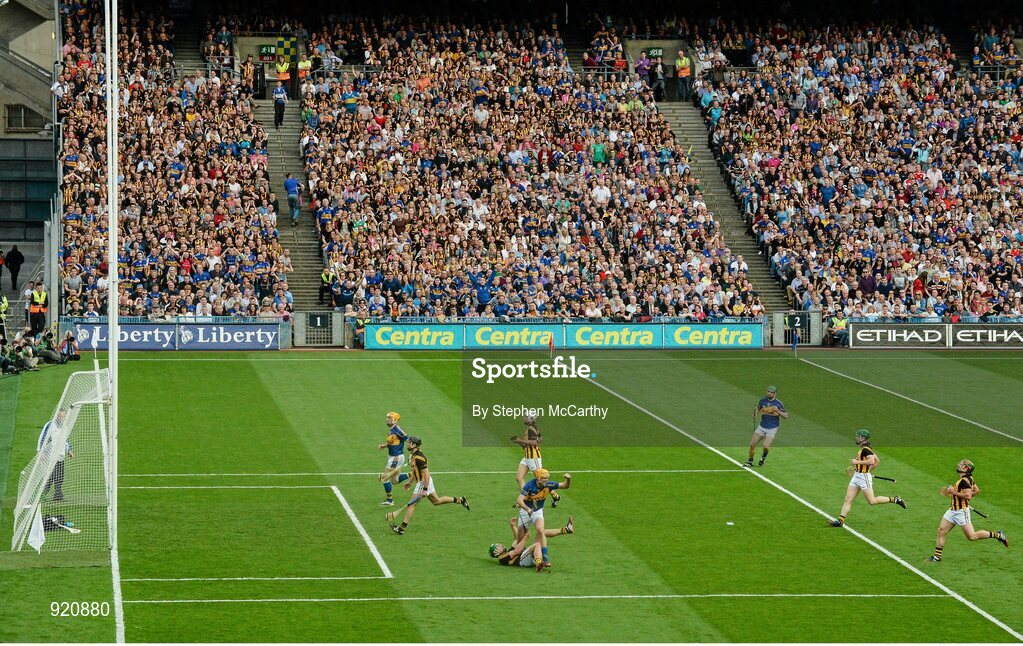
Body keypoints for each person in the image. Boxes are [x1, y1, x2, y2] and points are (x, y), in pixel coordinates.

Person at [386, 436, 470, 534]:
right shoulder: (412, 455)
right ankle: (460, 500)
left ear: (414, 445)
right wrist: (410, 482)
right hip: (424, 481)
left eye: (409, 442)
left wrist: (425, 488)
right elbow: (415, 471)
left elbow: (426, 473)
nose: (407, 444)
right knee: (436, 501)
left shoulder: (419, 457)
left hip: (424, 482)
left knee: (411, 505)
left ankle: (401, 528)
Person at [927, 460, 1008, 561]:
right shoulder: (969, 478)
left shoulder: (964, 481)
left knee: (972, 536)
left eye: (962, 464)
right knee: (941, 531)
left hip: (961, 512)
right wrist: (956, 495)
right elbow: (976, 490)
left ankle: (998, 535)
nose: (959, 465)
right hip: (952, 510)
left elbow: (968, 496)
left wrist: (953, 492)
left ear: (965, 468)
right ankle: (937, 557)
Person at [828, 430, 906, 527]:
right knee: (848, 499)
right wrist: (864, 469)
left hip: (863, 478)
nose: (856, 438)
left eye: (858, 436)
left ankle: (895, 499)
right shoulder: (864, 448)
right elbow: (877, 461)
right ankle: (840, 520)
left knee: (872, 501)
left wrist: (858, 464)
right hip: (857, 476)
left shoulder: (866, 449)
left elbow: (872, 461)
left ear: (862, 438)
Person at [515, 468, 571, 568]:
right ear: (537, 478)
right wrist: (527, 509)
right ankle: (522, 556)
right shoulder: (529, 485)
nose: (545, 480)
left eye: (546, 478)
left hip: (538, 511)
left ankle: (545, 558)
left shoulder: (549, 485)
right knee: (520, 540)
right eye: (543, 478)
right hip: (525, 512)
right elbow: (519, 500)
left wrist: (568, 479)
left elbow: (564, 486)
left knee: (540, 530)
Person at [490, 515, 575, 572]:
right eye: (498, 546)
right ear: (496, 552)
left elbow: (517, 540)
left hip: (525, 557)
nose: (500, 545)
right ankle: (539, 564)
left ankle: (566, 529)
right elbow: (517, 551)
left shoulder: (507, 552)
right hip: (522, 561)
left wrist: (512, 526)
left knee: (541, 532)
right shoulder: (501, 558)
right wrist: (526, 537)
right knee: (537, 545)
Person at [510, 411, 559, 507]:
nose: (524, 418)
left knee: (541, 479)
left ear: (530, 419)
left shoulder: (532, 428)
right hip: (527, 457)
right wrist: (518, 442)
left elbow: (534, 443)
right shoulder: (532, 428)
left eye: (526, 417)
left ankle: (555, 495)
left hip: (534, 457)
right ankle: (526, 498)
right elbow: (540, 439)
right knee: (519, 478)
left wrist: (520, 440)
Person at [745, 385, 788, 467]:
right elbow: (759, 409)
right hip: (762, 426)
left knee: (765, 446)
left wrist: (778, 411)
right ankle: (750, 461)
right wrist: (755, 414)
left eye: (772, 392)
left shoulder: (779, 403)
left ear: (775, 394)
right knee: (752, 444)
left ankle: (763, 458)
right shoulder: (762, 401)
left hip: (772, 428)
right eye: (768, 391)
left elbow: (786, 416)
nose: (769, 393)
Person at [377, 411, 410, 506]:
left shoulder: (398, 430)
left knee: (384, 478)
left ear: (395, 420)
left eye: (389, 418)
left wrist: (413, 453)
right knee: (395, 481)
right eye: (387, 418)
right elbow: (393, 442)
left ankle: (390, 500)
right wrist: (384, 446)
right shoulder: (392, 429)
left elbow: (408, 439)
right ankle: (413, 474)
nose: (387, 419)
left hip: (396, 458)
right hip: (394, 457)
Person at [39, 411, 73, 502]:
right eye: (61, 416)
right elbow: (42, 438)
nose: (62, 418)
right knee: (49, 477)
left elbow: (66, 440)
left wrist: (69, 450)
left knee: (60, 476)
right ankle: (41, 495)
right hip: (49, 457)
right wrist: (41, 452)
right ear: (56, 416)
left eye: (63, 417)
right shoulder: (49, 425)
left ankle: (58, 495)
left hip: (60, 456)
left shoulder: (64, 427)